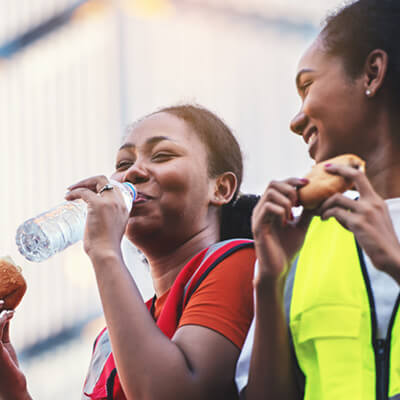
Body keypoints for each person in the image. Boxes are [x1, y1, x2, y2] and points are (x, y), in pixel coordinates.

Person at [0, 104, 258, 400]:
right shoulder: (111, 340)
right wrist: (13, 388)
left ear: (221, 188)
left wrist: (104, 251)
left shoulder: (239, 261)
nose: (133, 172)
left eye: (162, 155)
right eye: (123, 164)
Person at [235, 0, 400, 399]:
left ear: (372, 73)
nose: (295, 120)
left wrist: (395, 264)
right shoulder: (300, 242)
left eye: (307, 85)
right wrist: (270, 280)